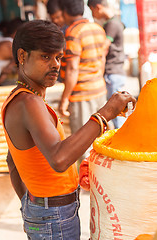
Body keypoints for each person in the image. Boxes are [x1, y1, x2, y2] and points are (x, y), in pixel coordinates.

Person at [2, 20, 135, 239]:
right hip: (53, 216)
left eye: (58, 57)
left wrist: (31, 204)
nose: (55, 65)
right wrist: (105, 113)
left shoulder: (20, 99)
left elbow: (12, 160)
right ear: (22, 56)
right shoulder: (29, 103)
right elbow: (59, 159)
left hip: (45, 211)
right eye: (45, 57)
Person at [58, 0, 108, 158]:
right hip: (99, 90)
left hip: (82, 96)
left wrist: (65, 99)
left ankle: (87, 181)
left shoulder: (73, 33)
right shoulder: (98, 28)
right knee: (101, 139)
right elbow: (102, 61)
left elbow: (73, 68)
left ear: (65, 12)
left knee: (82, 145)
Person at [88, 0, 127, 128]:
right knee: (118, 112)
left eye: (92, 11)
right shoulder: (116, 22)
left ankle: (121, 144)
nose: (93, 15)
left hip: (112, 72)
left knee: (116, 112)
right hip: (116, 71)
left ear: (97, 8)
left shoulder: (112, 24)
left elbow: (104, 48)